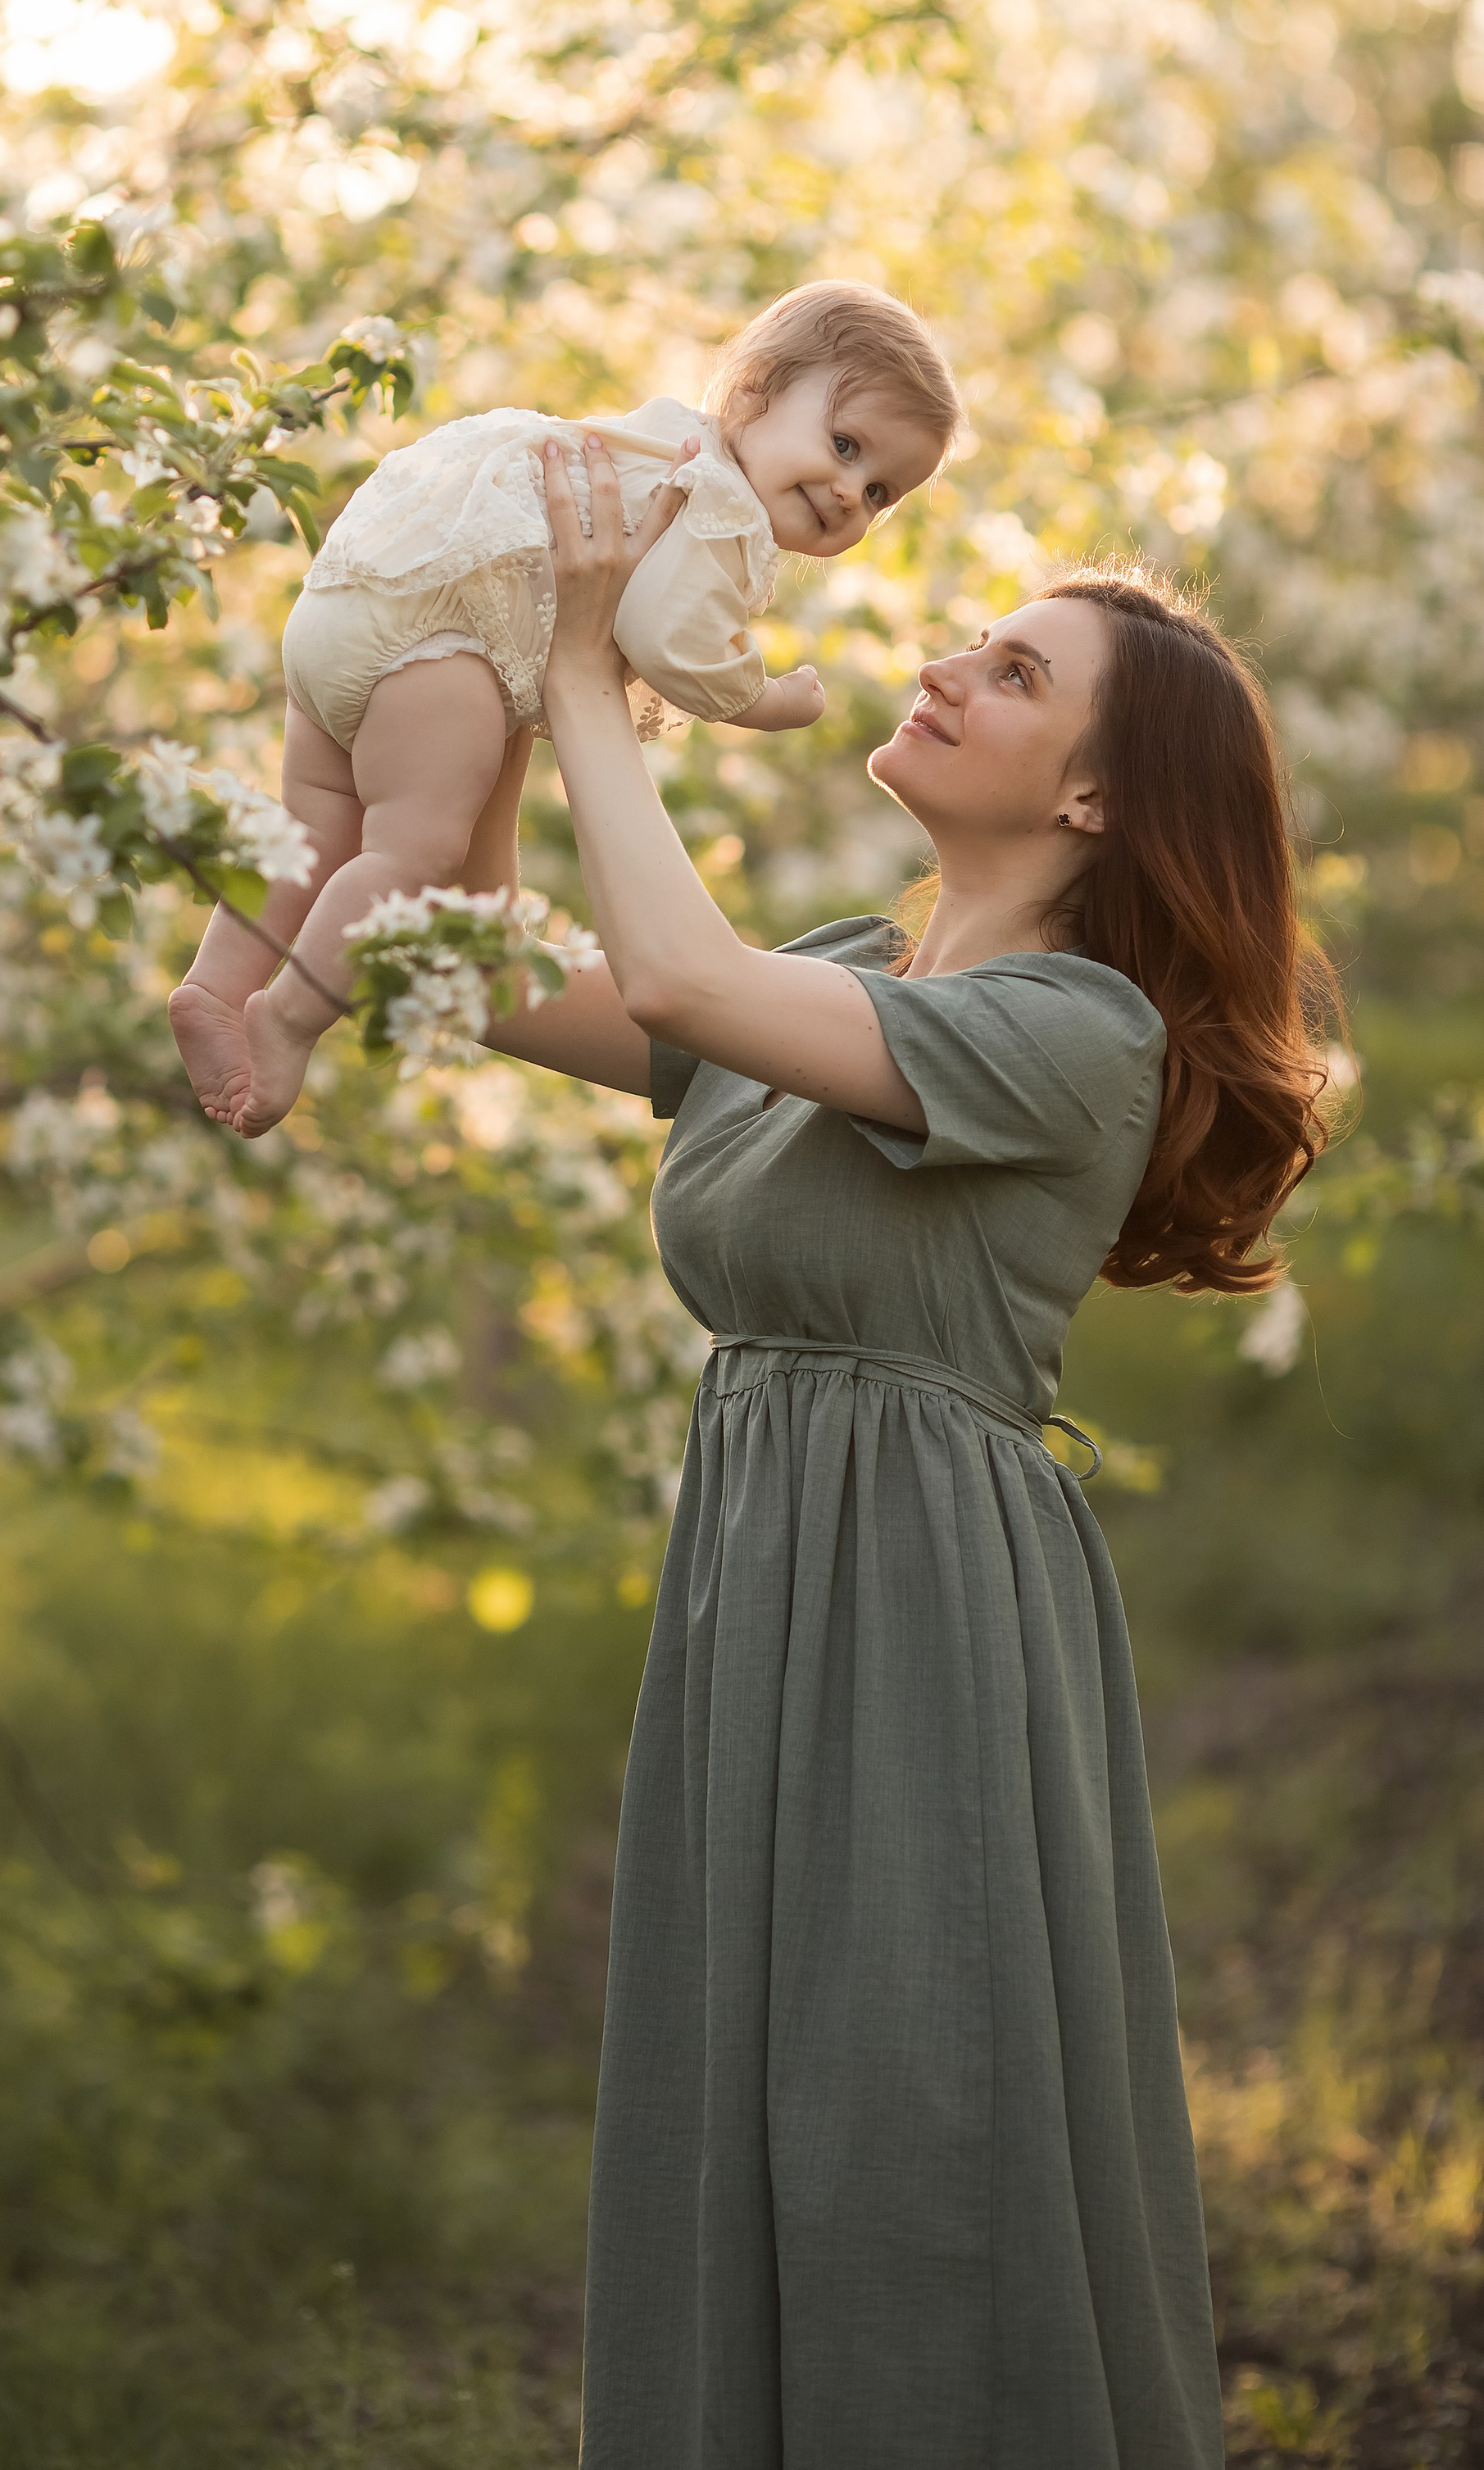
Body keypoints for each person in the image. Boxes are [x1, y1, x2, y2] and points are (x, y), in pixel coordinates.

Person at [470, 440, 1338, 2470]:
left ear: (1092, 798)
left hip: (919, 1599)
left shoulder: (1081, 1031)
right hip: (763, 1572)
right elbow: (477, 959)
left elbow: (671, 972)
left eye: (1012, 674)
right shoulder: (856, 969)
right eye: (968, 638)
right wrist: (484, 681)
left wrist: (602, 675)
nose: (943, 663)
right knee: (754, 2096)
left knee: (900, 2114)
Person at [170, 281, 960, 1139]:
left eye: (881, 492)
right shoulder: (716, 503)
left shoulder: (658, 437)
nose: (851, 493)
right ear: (753, 392)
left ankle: (214, 987)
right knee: (413, 848)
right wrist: (765, 700)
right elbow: (668, 637)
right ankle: (289, 1014)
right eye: (845, 446)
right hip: (440, 646)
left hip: (348, 603)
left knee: (317, 819)